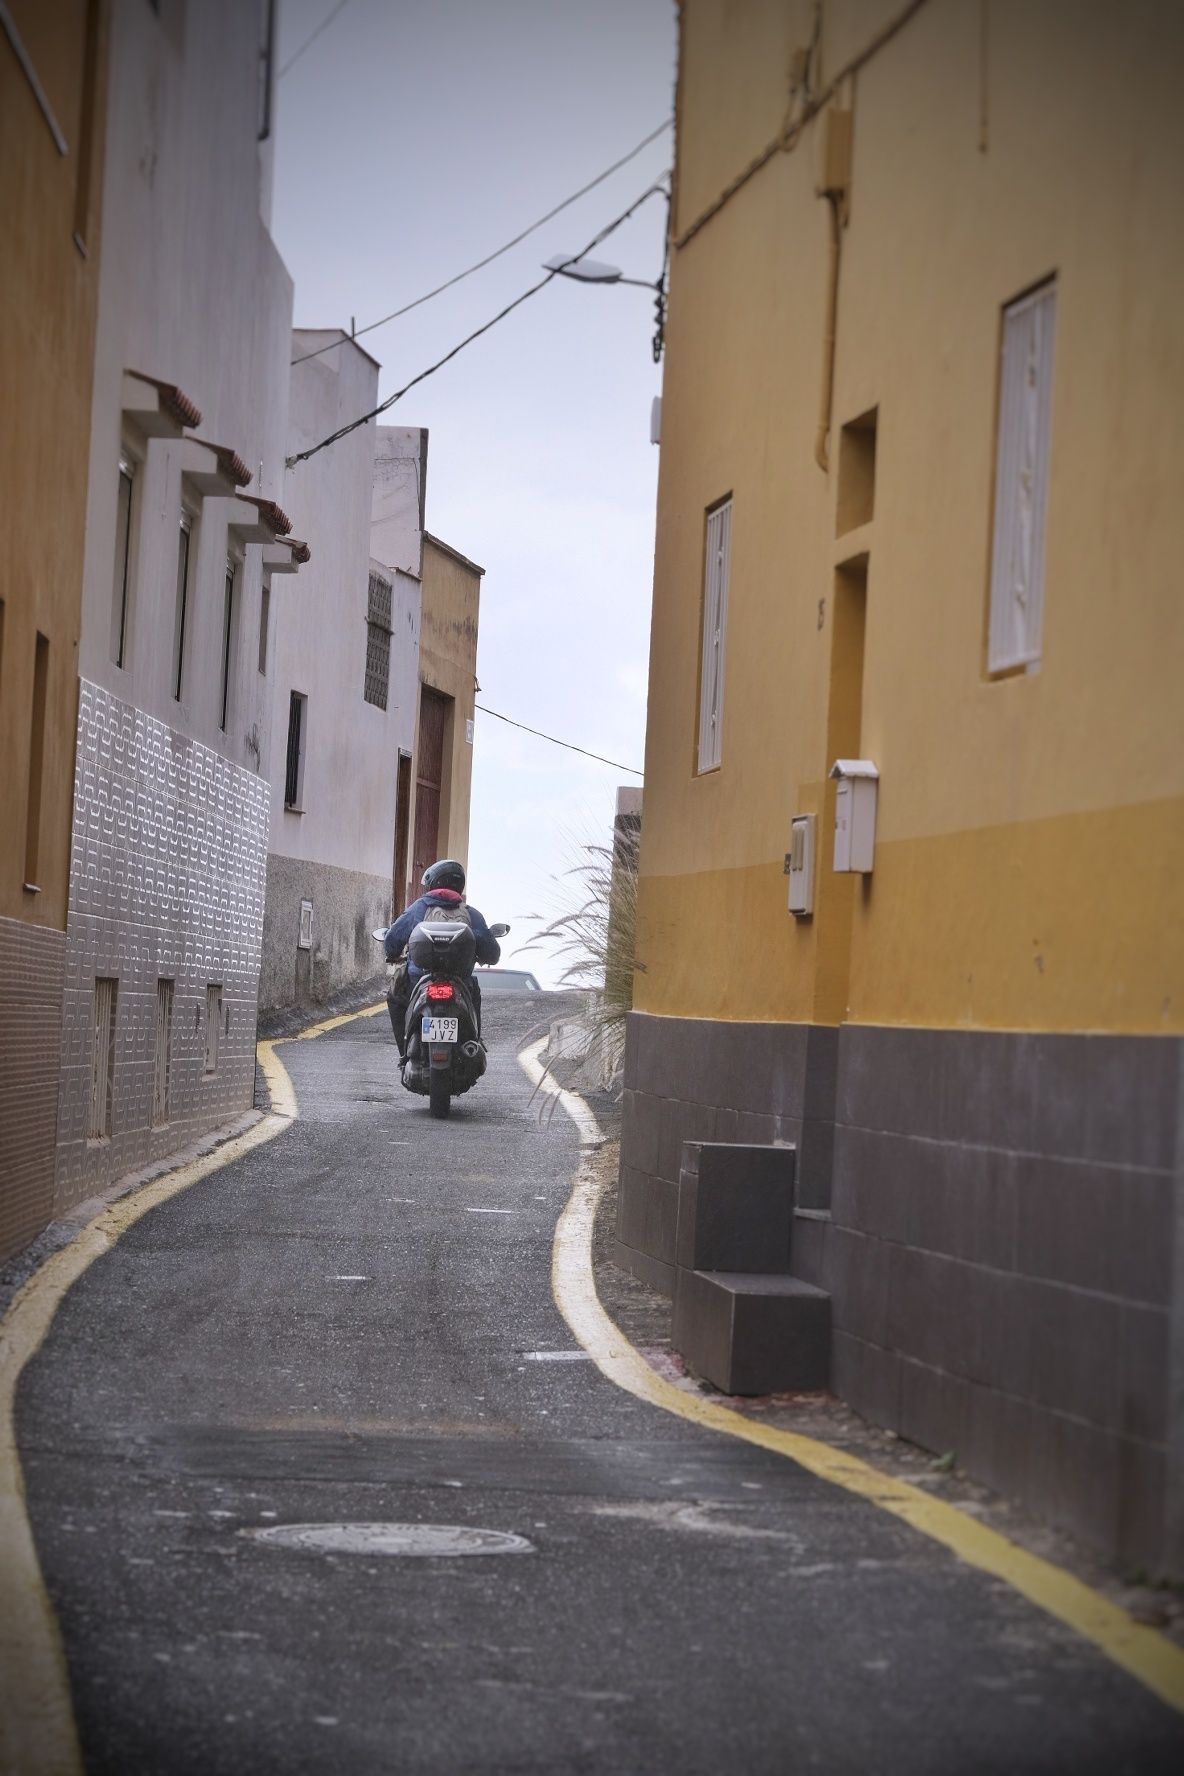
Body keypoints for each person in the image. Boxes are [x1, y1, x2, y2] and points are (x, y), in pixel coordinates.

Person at [383, 859, 500, 1054]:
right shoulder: (471, 914)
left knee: (395, 996)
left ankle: (405, 1051)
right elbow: (492, 953)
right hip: (461, 982)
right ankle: (473, 1041)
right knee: (474, 992)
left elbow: (392, 941)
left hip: (417, 981)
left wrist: (393, 954)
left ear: (432, 883)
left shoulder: (418, 908)